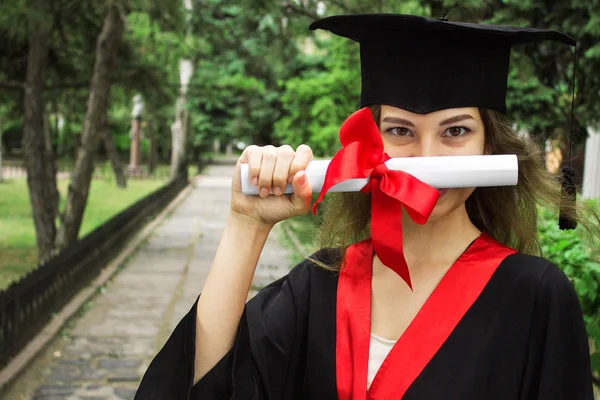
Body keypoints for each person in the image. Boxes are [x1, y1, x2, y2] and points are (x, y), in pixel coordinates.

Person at [135, 14, 595, 400]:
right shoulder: (319, 287)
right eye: (400, 131)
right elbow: (206, 386)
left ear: (490, 144)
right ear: (370, 141)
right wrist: (246, 225)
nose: (425, 160)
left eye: (455, 131)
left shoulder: (535, 298)